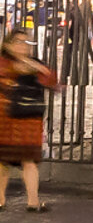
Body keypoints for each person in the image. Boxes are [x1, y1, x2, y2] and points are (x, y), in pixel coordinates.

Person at [0, 28, 59, 212]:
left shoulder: (35, 63)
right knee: (2, 161)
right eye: (18, 42)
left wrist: (37, 68)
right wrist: (20, 67)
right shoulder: (3, 62)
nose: (23, 46)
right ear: (8, 45)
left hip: (28, 120)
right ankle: (0, 199)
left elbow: (52, 81)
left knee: (29, 160)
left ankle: (33, 201)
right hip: (5, 117)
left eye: (26, 42)